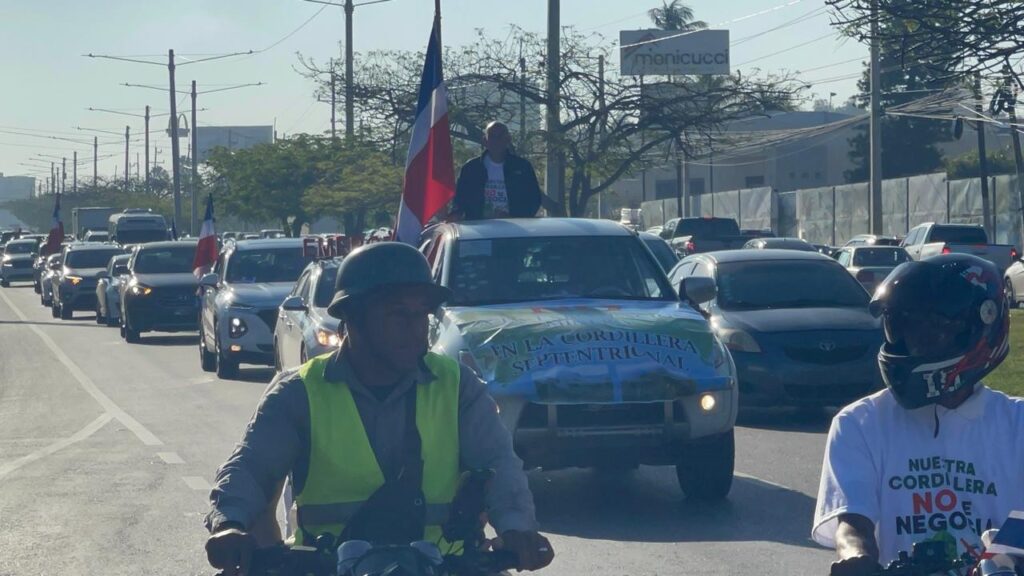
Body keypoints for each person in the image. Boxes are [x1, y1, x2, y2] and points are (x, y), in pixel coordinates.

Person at [204, 242, 554, 576]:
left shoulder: (457, 385)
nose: (416, 328)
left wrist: (516, 527)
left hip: (445, 566)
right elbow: (250, 467)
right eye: (398, 315)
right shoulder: (298, 392)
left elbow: (499, 463)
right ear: (353, 319)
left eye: (422, 315)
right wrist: (229, 524)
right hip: (328, 567)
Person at [811, 254, 1024, 575]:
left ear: (978, 327)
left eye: (930, 331)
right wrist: (857, 557)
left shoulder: (1016, 423)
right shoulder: (860, 423)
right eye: (903, 330)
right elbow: (852, 524)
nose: (913, 343)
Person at [449, 121, 543, 221]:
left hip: (515, 230)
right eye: (492, 136)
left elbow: (534, 199)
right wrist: (456, 214)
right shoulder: (471, 168)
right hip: (479, 229)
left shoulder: (522, 167)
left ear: (508, 139)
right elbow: (460, 199)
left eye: (501, 136)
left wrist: (516, 218)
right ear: (485, 140)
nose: (497, 141)